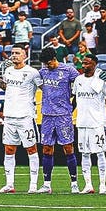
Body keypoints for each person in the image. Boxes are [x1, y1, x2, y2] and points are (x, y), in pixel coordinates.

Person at [0, 44, 42, 193]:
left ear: (25, 55)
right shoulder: (8, 71)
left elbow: (44, 88)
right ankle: (9, 184)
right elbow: (8, 88)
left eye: (17, 53)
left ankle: (33, 185)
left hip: (25, 116)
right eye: (12, 53)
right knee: (9, 149)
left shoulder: (33, 72)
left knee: (31, 149)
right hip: (10, 116)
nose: (14, 55)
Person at [37, 47, 80, 193]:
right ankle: (47, 184)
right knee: (47, 148)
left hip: (64, 116)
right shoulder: (42, 72)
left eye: (48, 63)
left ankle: (74, 183)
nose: (47, 66)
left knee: (68, 148)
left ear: (55, 59)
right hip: (47, 115)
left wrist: (71, 107)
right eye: (44, 64)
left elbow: (81, 86)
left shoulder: (69, 71)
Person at [71, 53, 106, 194]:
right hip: (82, 123)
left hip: (97, 123)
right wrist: (69, 115)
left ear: (95, 64)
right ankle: (88, 185)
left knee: (100, 153)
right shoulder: (78, 80)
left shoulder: (101, 80)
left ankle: (103, 185)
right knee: (84, 153)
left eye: (87, 63)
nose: (84, 65)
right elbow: (75, 101)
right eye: (83, 63)